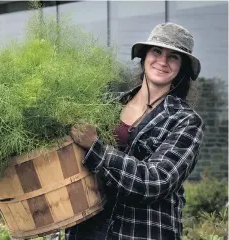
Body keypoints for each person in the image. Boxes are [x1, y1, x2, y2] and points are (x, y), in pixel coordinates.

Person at [66, 23, 205, 240]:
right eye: (157, 51)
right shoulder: (108, 106)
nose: (162, 61)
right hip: (88, 230)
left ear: (182, 68)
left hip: (141, 232)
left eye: (173, 57)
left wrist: (96, 148)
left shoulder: (186, 121)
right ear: (144, 56)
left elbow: (156, 182)